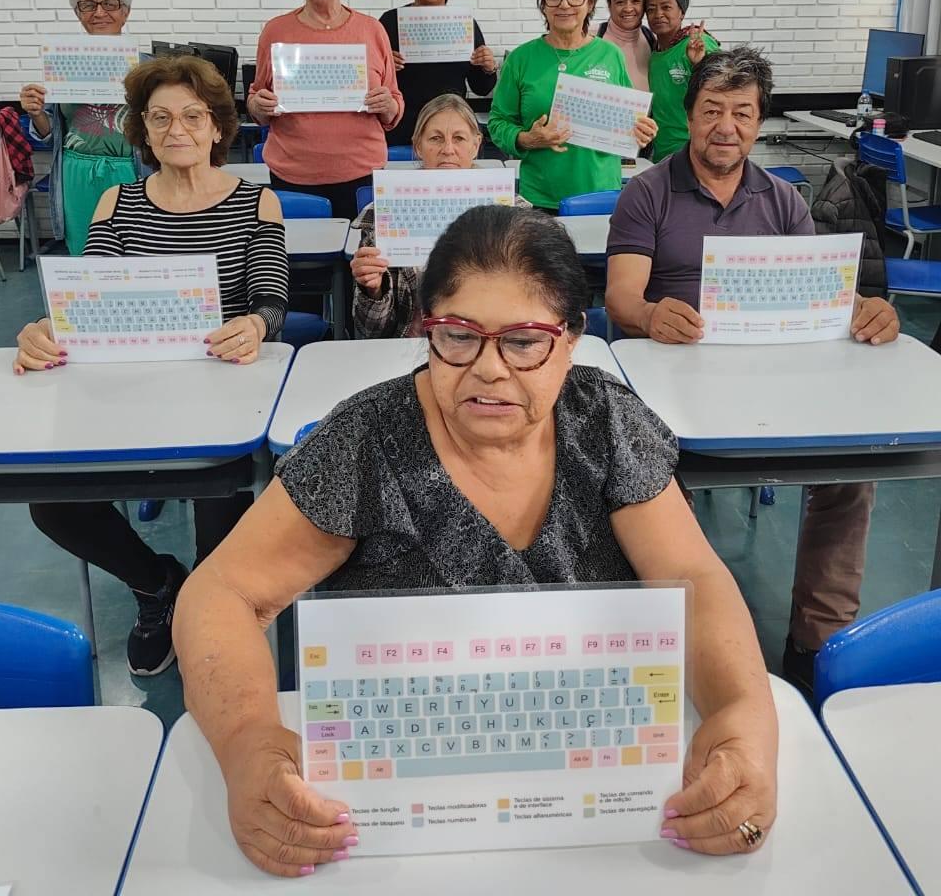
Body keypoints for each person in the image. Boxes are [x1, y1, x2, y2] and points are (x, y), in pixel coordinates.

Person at [174, 205, 778, 878]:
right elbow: (221, 594)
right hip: (402, 805)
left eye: (524, 342)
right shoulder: (366, 439)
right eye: (458, 336)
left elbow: (692, 577)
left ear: (572, 338)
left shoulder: (601, 421)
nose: (490, 370)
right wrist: (247, 740)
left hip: (595, 787)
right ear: (425, 329)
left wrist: (745, 714)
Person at [604, 48, 900, 694]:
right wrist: (652, 315)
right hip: (675, 383)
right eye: (712, 110)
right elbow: (621, 297)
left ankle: (814, 645)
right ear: (689, 116)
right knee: (650, 477)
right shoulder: (646, 193)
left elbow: (823, 293)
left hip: (775, 378)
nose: (726, 126)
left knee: (851, 478)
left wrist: (865, 310)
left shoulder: (783, 201)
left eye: (742, 113)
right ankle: (681, 641)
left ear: (759, 122)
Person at [15, 55, 289, 677]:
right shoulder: (120, 199)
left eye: (192, 116)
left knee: (219, 501)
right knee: (51, 501)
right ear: (142, 127)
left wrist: (253, 325)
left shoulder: (257, 202)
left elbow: (271, 302)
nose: (176, 129)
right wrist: (46, 327)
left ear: (218, 128)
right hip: (127, 390)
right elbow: (86, 298)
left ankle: (205, 605)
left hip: (220, 396)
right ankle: (155, 584)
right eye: (159, 117)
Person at [246, 0, 403, 219]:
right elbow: (256, 100)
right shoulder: (275, 31)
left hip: (362, 175)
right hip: (293, 176)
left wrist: (389, 105)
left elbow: (394, 103)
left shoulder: (372, 31)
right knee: (301, 263)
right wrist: (258, 105)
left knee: (360, 262)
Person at [487, 0, 658, 212]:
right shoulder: (521, 59)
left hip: (600, 195)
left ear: (589, 2)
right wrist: (526, 138)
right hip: (541, 198)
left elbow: (629, 119)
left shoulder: (610, 55)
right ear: (543, 3)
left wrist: (642, 130)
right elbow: (498, 122)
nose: (564, 4)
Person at [352, 93, 529, 337]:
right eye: (435, 138)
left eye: (459, 138)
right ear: (418, 146)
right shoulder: (383, 212)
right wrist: (373, 290)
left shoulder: (514, 213)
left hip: (493, 343)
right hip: (411, 348)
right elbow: (370, 330)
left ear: (476, 145)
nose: (448, 149)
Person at [18, 0, 138, 255]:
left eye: (110, 3)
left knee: (135, 249)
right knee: (85, 250)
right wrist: (36, 113)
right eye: (88, 5)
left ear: (125, 11)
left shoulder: (147, 67)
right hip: (76, 172)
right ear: (78, 13)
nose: (99, 12)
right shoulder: (63, 65)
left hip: (132, 170)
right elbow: (50, 135)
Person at [378, 0, 497, 147]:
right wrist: (386, 66)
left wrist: (487, 67)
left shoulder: (464, 23)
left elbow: (481, 88)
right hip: (402, 127)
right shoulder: (389, 22)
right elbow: (374, 83)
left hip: (450, 129)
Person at [644, 0, 719, 162]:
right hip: (662, 153)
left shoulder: (698, 44)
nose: (658, 14)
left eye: (666, 7)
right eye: (651, 9)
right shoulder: (653, 53)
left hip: (696, 151)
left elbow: (725, 90)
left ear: (682, 12)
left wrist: (699, 63)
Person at [596, 0, 653, 91]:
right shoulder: (591, 36)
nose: (628, 8)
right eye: (620, 2)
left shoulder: (652, 40)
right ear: (609, 4)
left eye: (636, 1)